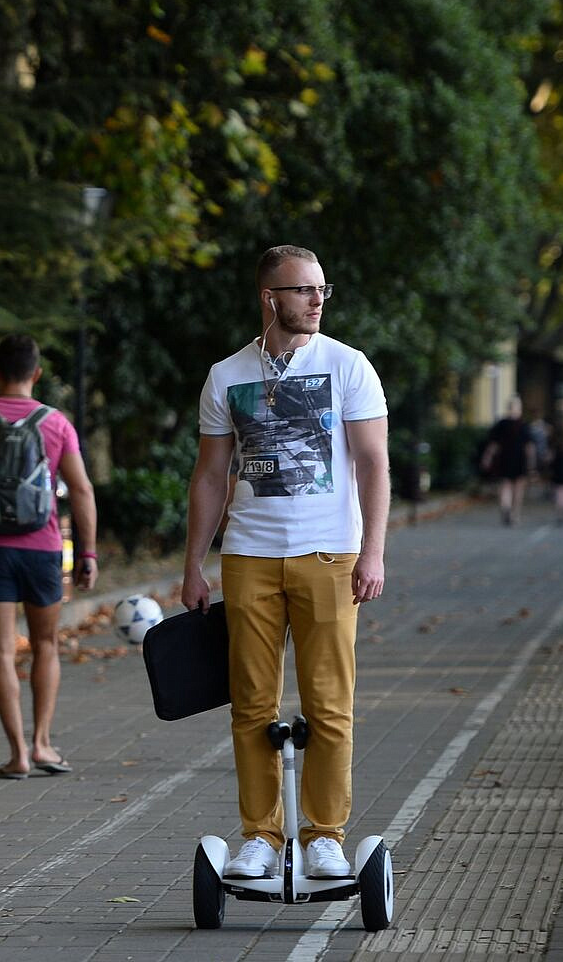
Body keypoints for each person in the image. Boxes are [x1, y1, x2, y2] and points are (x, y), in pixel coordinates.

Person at [179, 245, 390, 882]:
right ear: (270, 298)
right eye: (303, 290)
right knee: (251, 705)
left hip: (329, 556)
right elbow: (210, 475)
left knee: (329, 705)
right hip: (249, 557)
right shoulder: (226, 375)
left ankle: (325, 835)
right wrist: (194, 563)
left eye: (322, 288)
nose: (317, 300)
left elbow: (374, 464)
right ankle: (262, 837)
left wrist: (373, 551)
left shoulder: (348, 366)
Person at [0, 334, 98, 780]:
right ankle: (42, 744)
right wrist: (87, 552)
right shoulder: (56, 423)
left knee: (0, 651)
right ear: (37, 373)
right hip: (43, 548)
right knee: (45, 644)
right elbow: (82, 490)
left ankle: (17, 755)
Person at [480, 397, 535, 526]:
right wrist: (532, 463)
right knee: (518, 488)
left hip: (504, 458)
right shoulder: (524, 425)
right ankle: (515, 513)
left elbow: (494, 444)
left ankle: (506, 506)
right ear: (519, 409)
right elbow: (529, 447)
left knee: (505, 485)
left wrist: (487, 457)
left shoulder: (501, 424)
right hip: (520, 459)